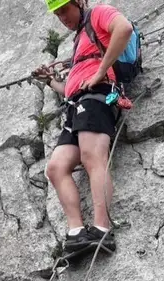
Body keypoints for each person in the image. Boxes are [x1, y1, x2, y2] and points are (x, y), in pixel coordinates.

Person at [34, 0, 134, 261]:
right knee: (56, 168)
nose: (62, 18)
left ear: (79, 2)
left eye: (64, 9)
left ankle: (101, 230)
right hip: (77, 103)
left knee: (92, 157)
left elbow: (123, 28)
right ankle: (77, 233)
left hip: (98, 97)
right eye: (57, 14)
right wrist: (50, 81)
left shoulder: (99, 13)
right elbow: (70, 88)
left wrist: (101, 71)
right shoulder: (80, 39)